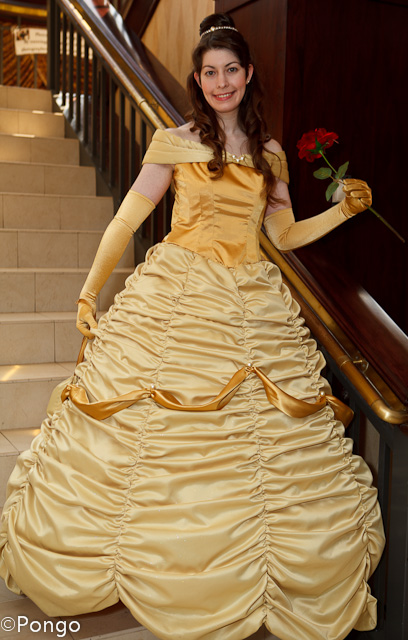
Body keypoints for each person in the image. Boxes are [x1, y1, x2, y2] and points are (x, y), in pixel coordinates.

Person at [0, 12, 385, 640]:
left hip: (249, 302)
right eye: (210, 73)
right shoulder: (174, 142)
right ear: (198, 80)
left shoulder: (269, 154)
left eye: (231, 70)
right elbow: (127, 219)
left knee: (252, 446)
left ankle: (231, 567)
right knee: (150, 434)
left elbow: (283, 235)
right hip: (179, 292)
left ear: (248, 74)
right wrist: (90, 289)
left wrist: (342, 212)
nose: (221, 82)